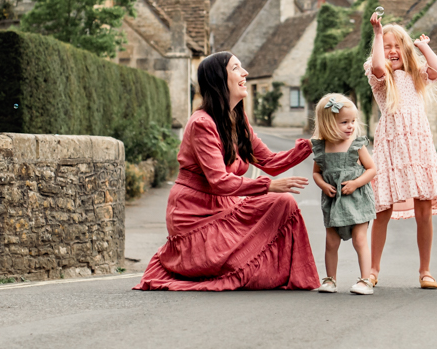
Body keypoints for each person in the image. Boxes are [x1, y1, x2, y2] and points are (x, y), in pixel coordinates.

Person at [134, 51, 320, 292]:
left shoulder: (237, 118)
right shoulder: (202, 123)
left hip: (226, 207)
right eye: (236, 68)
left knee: (284, 203)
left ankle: (260, 269)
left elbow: (271, 161)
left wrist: (316, 142)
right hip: (194, 217)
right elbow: (219, 181)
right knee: (239, 266)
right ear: (219, 80)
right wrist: (267, 186)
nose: (245, 73)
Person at [365, 15, 437, 289]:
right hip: (391, 145)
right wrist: (378, 34)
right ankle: (373, 268)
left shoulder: (416, 75)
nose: (392, 51)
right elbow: (378, 64)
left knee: (424, 210)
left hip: (418, 147)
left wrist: (424, 47)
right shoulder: (380, 76)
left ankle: (425, 270)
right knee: (382, 210)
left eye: (397, 45)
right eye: (387, 46)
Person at [311, 93, 377, 295]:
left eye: (353, 121)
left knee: (359, 239)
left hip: (357, 199)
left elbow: (372, 169)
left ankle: (365, 280)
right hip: (333, 201)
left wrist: (356, 183)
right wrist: (323, 185)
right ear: (328, 123)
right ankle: (330, 279)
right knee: (331, 242)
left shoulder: (356, 145)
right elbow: (316, 173)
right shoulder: (322, 148)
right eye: (344, 122)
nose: (351, 126)